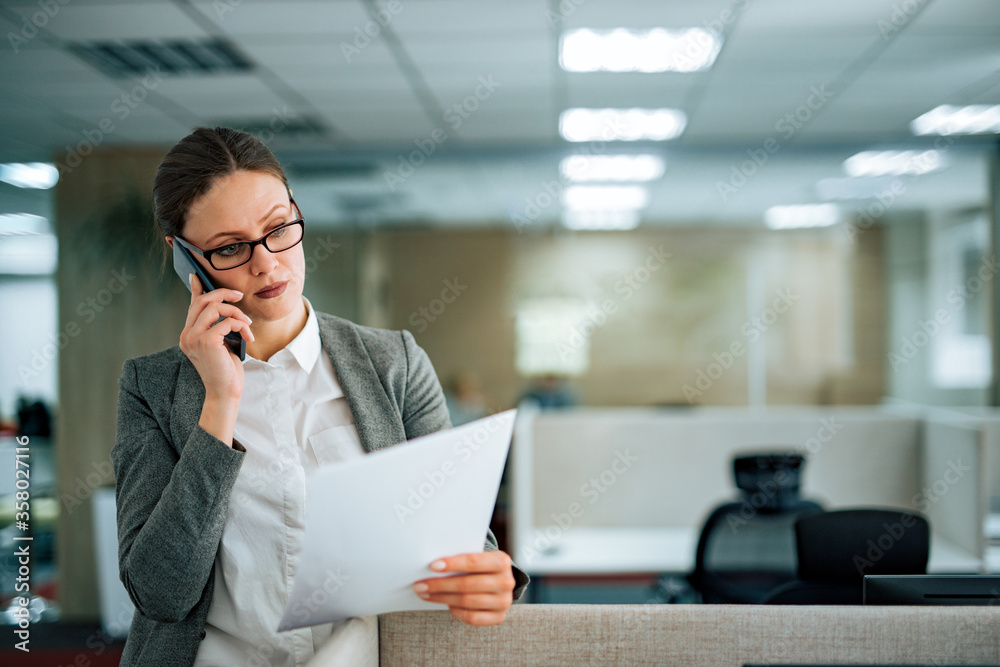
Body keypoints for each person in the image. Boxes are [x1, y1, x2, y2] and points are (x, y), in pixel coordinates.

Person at [111, 127, 528, 666]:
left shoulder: (392, 363)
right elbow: (160, 595)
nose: (267, 264)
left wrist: (490, 577)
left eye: (278, 228)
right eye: (230, 248)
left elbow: (457, 539)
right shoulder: (150, 388)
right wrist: (220, 402)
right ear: (186, 259)